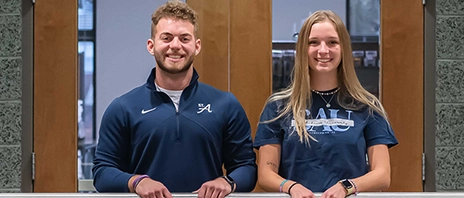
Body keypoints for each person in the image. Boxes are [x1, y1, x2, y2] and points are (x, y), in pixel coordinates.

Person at [92, 1, 257, 197]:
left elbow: (247, 167)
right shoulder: (123, 108)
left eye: (184, 38)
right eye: (166, 38)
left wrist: (228, 182)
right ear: (151, 46)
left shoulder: (226, 105)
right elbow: (102, 173)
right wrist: (136, 182)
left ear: (196, 46)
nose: (175, 46)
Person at [253, 10, 398, 198]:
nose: (323, 50)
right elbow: (265, 175)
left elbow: (382, 175)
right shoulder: (279, 107)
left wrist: (347, 186)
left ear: (343, 48)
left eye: (332, 42)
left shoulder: (367, 106)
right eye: (313, 42)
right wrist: (290, 186)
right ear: (303, 48)